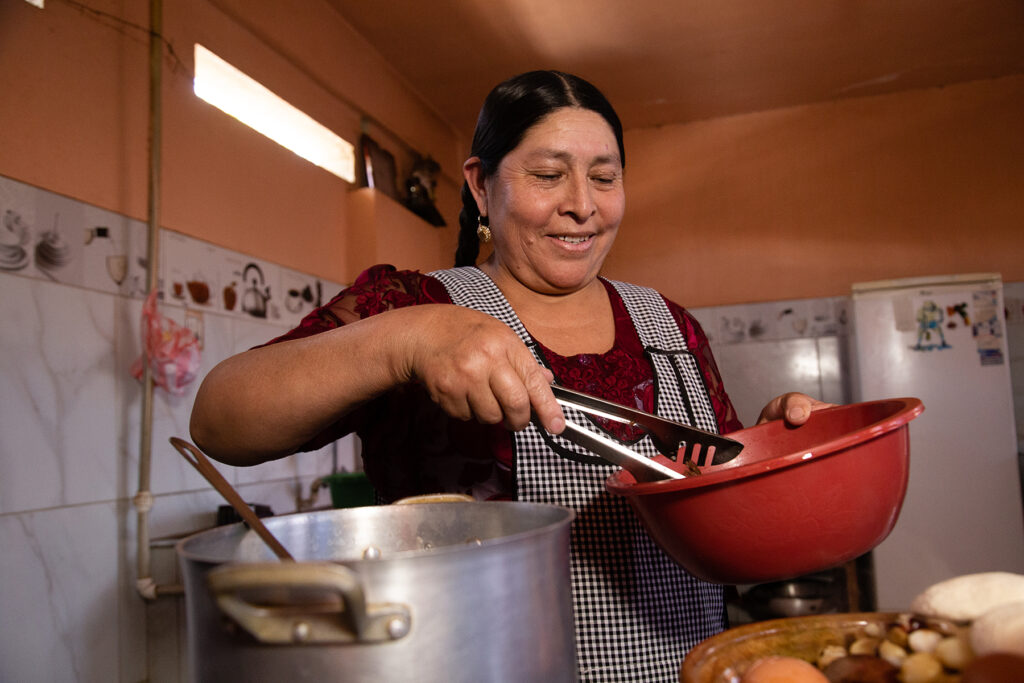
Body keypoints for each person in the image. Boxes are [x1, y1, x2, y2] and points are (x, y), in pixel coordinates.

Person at [190, 70, 830, 682]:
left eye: (605, 178)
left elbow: (729, 516)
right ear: (480, 186)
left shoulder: (671, 326)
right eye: (549, 175)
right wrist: (405, 340)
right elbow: (220, 422)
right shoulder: (410, 305)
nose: (581, 205)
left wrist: (779, 458)